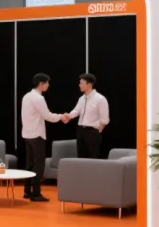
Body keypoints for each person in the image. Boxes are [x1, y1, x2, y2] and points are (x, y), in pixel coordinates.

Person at [22, 73, 63, 202]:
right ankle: (36, 193)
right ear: (41, 84)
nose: (48, 85)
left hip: (27, 134)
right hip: (37, 134)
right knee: (39, 165)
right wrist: (61, 116)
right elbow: (48, 116)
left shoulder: (27, 96)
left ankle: (27, 191)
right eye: (47, 83)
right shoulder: (38, 98)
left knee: (30, 163)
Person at [62, 73, 110, 159]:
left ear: (89, 84)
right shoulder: (81, 98)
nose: (79, 85)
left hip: (92, 131)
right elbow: (76, 111)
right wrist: (68, 116)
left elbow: (104, 118)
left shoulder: (100, 99)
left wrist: (98, 130)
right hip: (81, 130)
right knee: (81, 156)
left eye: (81, 83)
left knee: (93, 157)